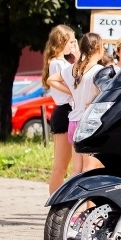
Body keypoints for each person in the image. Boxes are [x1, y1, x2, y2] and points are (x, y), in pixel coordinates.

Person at [48, 32, 105, 176]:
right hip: (89, 124)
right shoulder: (99, 71)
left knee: (76, 170)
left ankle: (73, 198)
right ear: (97, 48)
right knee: (89, 170)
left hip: (73, 122)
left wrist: (71, 91)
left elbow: (51, 80)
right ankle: (89, 200)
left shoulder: (73, 68)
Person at [42, 25, 79, 195]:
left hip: (66, 111)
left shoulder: (61, 62)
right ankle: (55, 205)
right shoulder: (57, 63)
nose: (73, 45)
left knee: (66, 166)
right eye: (71, 42)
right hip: (64, 112)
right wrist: (72, 91)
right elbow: (66, 82)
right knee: (60, 167)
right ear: (61, 42)